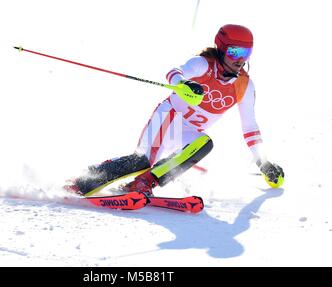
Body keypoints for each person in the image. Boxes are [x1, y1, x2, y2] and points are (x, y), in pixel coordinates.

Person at [66, 24, 284, 196]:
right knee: (142, 161)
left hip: (187, 132)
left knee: (205, 143)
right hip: (168, 118)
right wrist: (183, 83)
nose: (240, 59)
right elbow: (175, 72)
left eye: (246, 52)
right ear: (222, 48)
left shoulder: (244, 86)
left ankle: (144, 183)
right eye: (235, 51)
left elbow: (250, 127)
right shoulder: (203, 64)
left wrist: (262, 162)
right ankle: (82, 182)